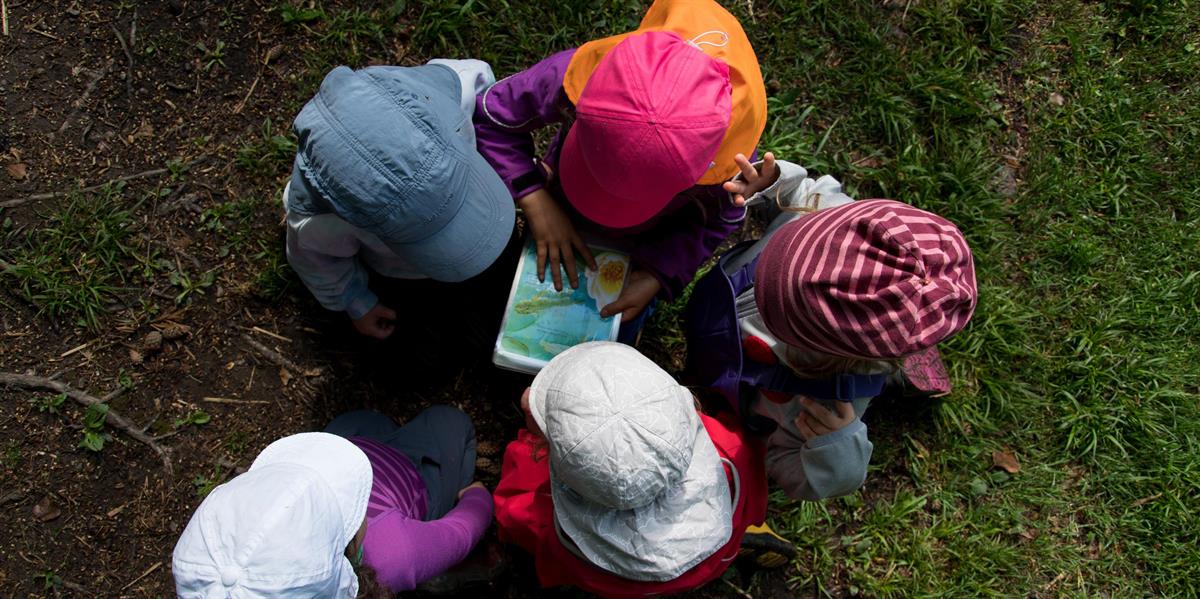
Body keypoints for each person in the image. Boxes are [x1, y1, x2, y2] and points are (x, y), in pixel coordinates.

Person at [685, 155, 979, 500]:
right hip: (716, 326)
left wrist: (836, 453)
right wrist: (773, 182)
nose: (765, 279)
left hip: (735, 386)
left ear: (816, 352)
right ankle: (904, 343)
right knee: (886, 338)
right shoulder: (831, 217)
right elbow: (804, 190)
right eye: (783, 249)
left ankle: (898, 362)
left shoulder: (823, 401)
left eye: (774, 305)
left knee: (871, 373)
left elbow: (788, 465)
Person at [473, 0, 772, 335]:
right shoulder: (577, 76)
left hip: (646, 244)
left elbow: (721, 219)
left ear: (702, 170)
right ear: (584, 101)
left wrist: (658, 275)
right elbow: (491, 119)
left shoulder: (725, 159)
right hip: (558, 206)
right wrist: (535, 199)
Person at [492, 342, 772, 597]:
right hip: (712, 555)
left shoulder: (546, 522)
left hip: (617, 582)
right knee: (723, 543)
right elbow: (755, 501)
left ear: (548, 450)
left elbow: (510, 510)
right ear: (686, 405)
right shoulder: (732, 452)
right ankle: (735, 545)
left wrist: (529, 439)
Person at [284, 59, 515, 340]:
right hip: (407, 276)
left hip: (444, 243)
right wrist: (356, 301)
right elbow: (316, 260)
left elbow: (481, 86)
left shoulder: (453, 90)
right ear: (352, 215)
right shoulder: (319, 220)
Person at [172, 406, 492, 596]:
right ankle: (440, 572)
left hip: (364, 442)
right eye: (346, 502)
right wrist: (477, 497)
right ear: (351, 545)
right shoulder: (395, 557)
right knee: (449, 421)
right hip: (414, 479)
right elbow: (463, 531)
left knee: (359, 422)